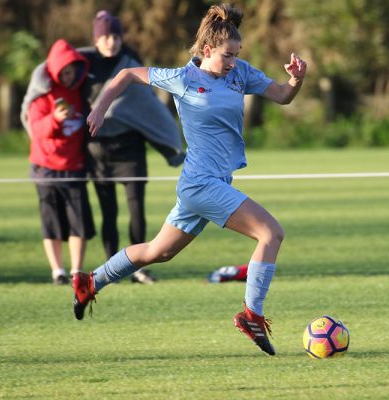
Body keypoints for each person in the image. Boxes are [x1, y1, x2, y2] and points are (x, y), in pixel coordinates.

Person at [72, 3, 307, 356]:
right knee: (270, 233)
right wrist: (101, 106)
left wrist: (296, 79)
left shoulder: (240, 73)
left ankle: (91, 281)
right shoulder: (183, 78)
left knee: (157, 252)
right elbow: (126, 75)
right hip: (201, 184)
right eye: (227, 55)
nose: (232, 62)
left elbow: (282, 96)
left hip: (208, 184)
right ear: (207, 50)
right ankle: (251, 315)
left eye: (236, 55)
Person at [78, 11, 186, 284]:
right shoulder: (84, 64)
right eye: (104, 36)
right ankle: (110, 269)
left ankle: (139, 269)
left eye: (115, 36)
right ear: (95, 38)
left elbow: (146, 107)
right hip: (98, 149)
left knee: (136, 207)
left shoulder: (131, 62)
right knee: (109, 212)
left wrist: (170, 145)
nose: (111, 41)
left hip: (131, 148)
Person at [25, 39, 96, 284]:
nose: (68, 76)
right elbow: (35, 129)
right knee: (52, 222)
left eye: (72, 71)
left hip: (74, 167)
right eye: (64, 72)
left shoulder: (80, 91)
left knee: (79, 222)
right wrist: (55, 119)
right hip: (45, 169)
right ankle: (58, 271)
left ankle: (76, 270)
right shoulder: (42, 94)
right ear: (54, 71)